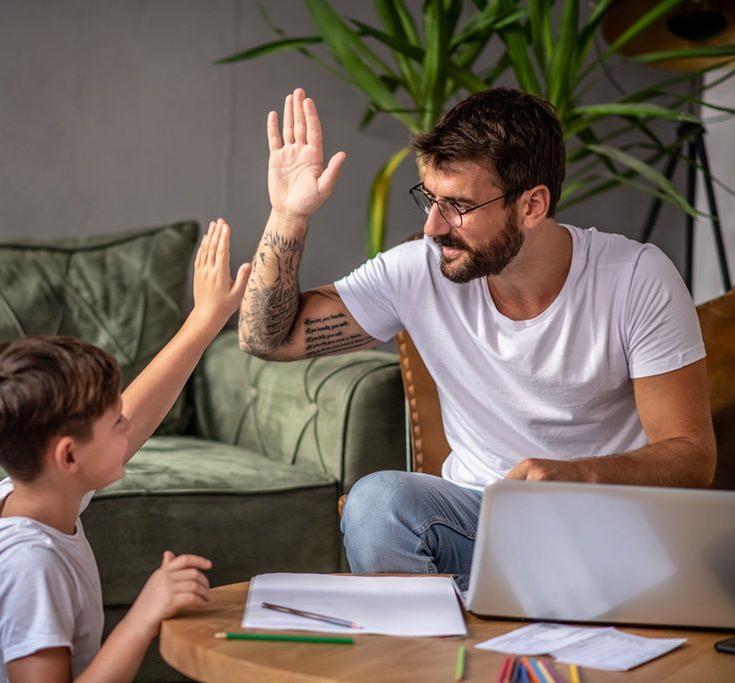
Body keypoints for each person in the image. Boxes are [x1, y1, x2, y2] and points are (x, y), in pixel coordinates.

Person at [238, 87, 716, 577]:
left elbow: (692, 456)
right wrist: (289, 215)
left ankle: (488, 609)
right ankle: (451, 620)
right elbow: (267, 339)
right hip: (476, 524)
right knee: (377, 503)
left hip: (601, 528)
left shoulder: (635, 277)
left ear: (532, 206)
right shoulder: (418, 272)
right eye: (430, 199)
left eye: (458, 205)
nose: (433, 226)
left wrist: (576, 476)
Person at [0, 219, 251, 683]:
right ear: (68, 457)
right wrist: (143, 616)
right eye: (114, 422)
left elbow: (137, 414)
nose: (127, 424)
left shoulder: (29, 492)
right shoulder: (30, 568)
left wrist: (203, 321)